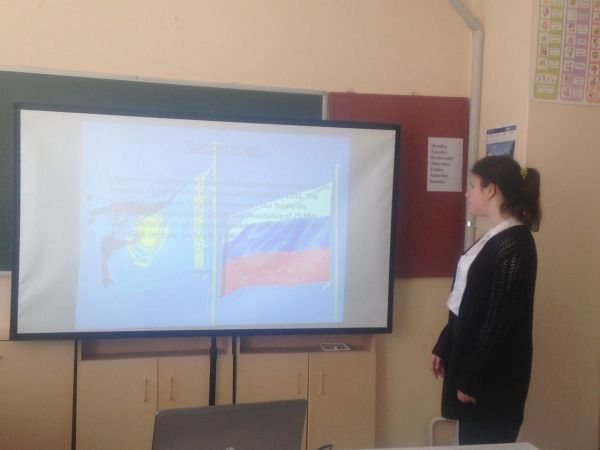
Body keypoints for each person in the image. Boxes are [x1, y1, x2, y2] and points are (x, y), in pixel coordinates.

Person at [431, 155, 541, 445]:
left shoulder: (516, 244)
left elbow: (498, 321)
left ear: (490, 190)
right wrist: (444, 343)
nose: (467, 194)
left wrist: (471, 377)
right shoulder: (494, 237)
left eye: (473, 185)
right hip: (472, 368)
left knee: (486, 442)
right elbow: (466, 303)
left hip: (493, 380)